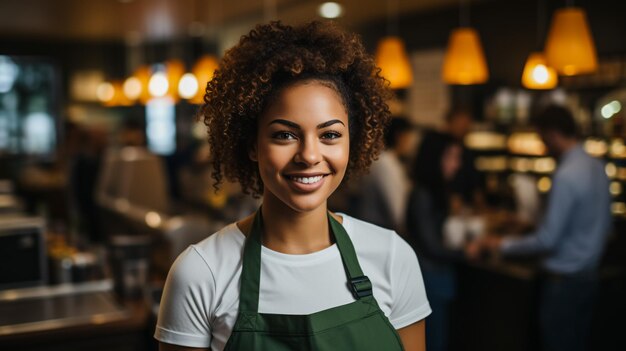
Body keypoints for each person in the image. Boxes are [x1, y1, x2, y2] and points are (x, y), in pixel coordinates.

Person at [155, 21, 431, 351]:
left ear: (351, 143)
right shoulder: (200, 274)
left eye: (330, 135)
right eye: (284, 134)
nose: (309, 155)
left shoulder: (392, 257)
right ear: (252, 145)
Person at [467, 105, 612, 351]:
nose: (544, 146)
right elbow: (591, 223)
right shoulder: (596, 166)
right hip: (590, 278)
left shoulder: (566, 175)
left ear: (553, 134)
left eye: (543, 139)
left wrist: (498, 244)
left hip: (562, 284)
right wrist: (531, 224)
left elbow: (548, 240)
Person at [406, 131, 465, 351]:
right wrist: (466, 251)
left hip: (436, 277)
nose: (456, 165)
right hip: (429, 278)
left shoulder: (435, 192)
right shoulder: (423, 194)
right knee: (433, 342)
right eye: (451, 157)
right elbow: (431, 246)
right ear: (435, 158)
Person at [357, 116, 414, 233]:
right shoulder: (385, 163)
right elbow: (397, 210)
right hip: (378, 230)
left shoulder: (390, 161)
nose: (411, 142)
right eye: (409, 137)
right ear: (400, 136)